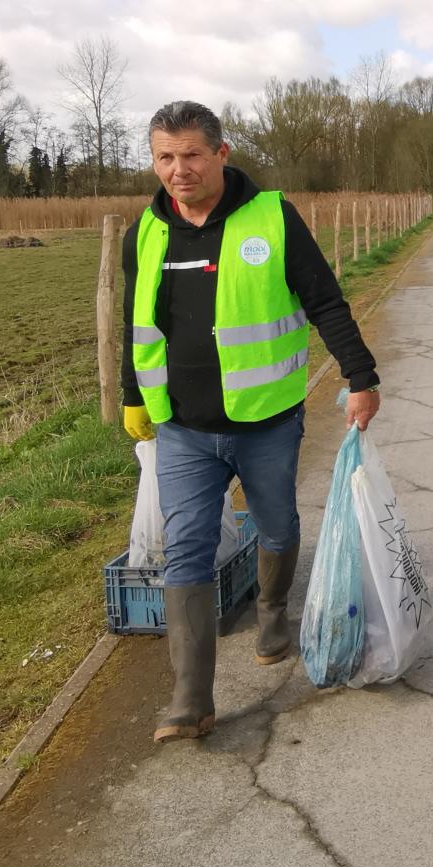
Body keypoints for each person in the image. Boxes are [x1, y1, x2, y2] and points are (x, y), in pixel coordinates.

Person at [122, 100, 380, 743]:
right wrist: (133, 395)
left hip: (266, 421)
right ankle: (191, 699)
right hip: (182, 427)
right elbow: (136, 324)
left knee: (278, 524)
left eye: (191, 155)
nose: (178, 170)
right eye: (164, 157)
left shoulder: (272, 218)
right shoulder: (145, 233)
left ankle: (271, 610)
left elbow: (324, 301)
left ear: (221, 154)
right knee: (185, 547)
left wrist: (360, 376)